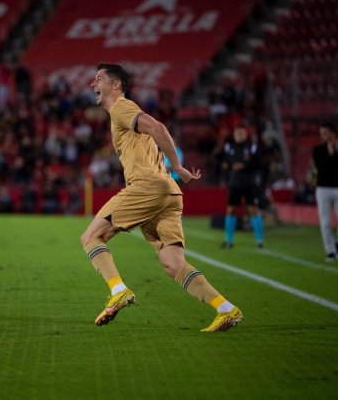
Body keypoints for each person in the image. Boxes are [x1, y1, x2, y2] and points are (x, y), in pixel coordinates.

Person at [80, 63, 242, 332]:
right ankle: (225, 309)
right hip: (168, 193)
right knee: (173, 263)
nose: (92, 84)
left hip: (146, 187)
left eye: (99, 79)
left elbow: (158, 127)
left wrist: (178, 166)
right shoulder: (118, 114)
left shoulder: (121, 106)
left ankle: (118, 290)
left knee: (91, 237)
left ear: (116, 85)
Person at [220, 125, 265, 249]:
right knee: (231, 211)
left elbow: (258, 164)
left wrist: (244, 166)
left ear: (246, 134)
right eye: (237, 133)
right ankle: (229, 241)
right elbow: (225, 162)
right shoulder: (229, 147)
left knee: (253, 210)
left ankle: (259, 241)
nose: (239, 135)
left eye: (241, 133)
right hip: (234, 184)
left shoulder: (252, 147)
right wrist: (225, 166)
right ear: (234, 135)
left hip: (249, 183)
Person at [312, 123, 338, 262]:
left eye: (325, 132)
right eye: (321, 133)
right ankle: (330, 251)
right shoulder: (318, 150)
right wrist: (330, 152)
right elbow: (320, 165)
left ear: (333, 134)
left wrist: (336, 151)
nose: (323, 136)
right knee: (325, 222)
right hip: (323, 189)